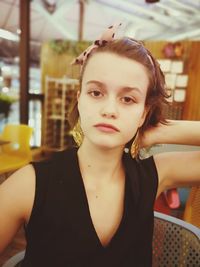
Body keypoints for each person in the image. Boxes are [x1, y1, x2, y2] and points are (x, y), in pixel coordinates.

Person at [0, 24, 200, 267]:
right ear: (79, 98)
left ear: (143, 113)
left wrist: (156, 130)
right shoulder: (30, 183)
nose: (109, 110)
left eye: (128, 99)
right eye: (96, 93)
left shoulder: (155, 175)